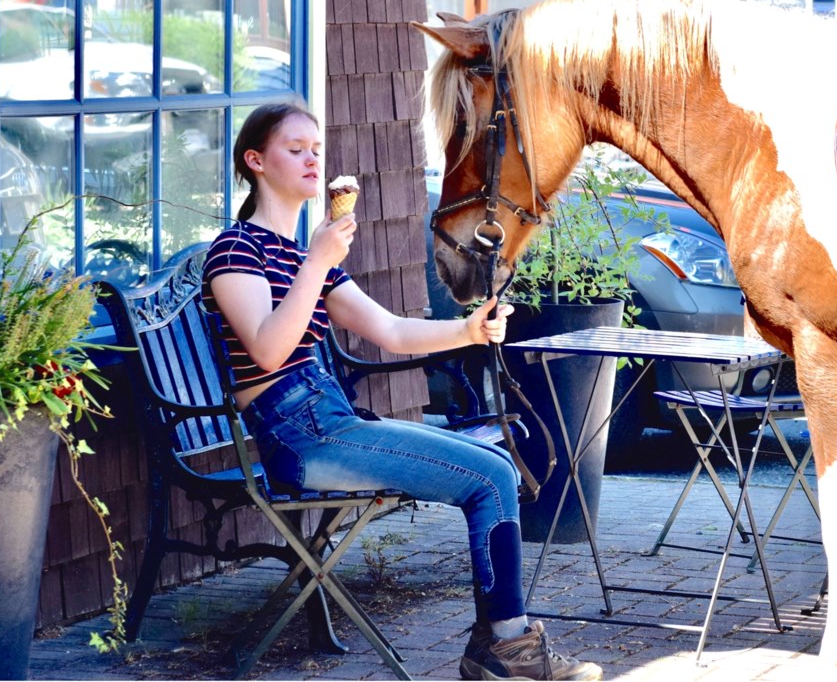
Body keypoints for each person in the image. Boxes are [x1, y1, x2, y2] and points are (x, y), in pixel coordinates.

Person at [202, 101, 603, 681]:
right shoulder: (239, 249)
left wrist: (467, 329)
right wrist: (317, 262)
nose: (313, 159)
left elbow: (388, 330)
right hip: (297, 437)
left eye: (317, 148)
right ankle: (508, 652)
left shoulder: (306, 253)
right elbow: (267, 349)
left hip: (331, 420)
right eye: (296, 150)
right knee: (490, 477)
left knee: (495, 465)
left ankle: (498, 644)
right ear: (256, 161)